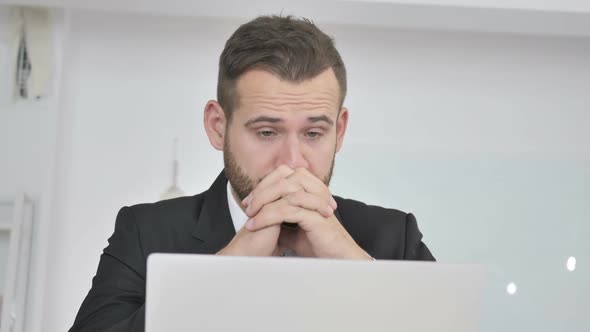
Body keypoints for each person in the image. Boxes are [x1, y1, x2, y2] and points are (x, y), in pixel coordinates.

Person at [69, 15, 435, 332]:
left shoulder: (394, 239)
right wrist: (227, 268)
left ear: (339, 130)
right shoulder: (146, 232)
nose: (292, 162)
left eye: (313, 133)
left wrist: (354, 268)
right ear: (217, 126)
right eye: (266, 132)